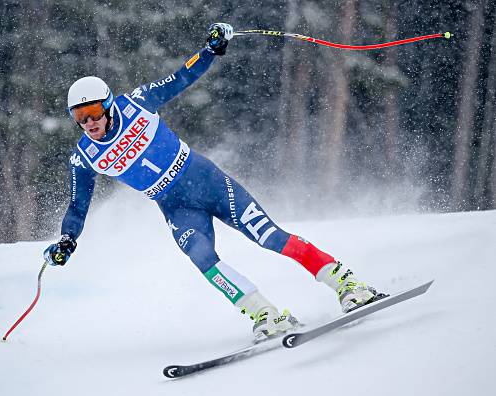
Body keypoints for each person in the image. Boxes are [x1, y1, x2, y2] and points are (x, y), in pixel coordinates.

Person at [44, 23, 385, 342]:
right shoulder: (84, 156)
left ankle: (348, 284)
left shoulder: (136, 103)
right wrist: (67, 239)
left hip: (206, 181)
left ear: (107, 105)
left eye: (92, 112)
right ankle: (265, 314)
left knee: (269, 236)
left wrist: (211, 48)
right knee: (203, 258)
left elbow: (182, 77)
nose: (88, 122)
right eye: (79, 117)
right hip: (176, 207)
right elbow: (77, 206)